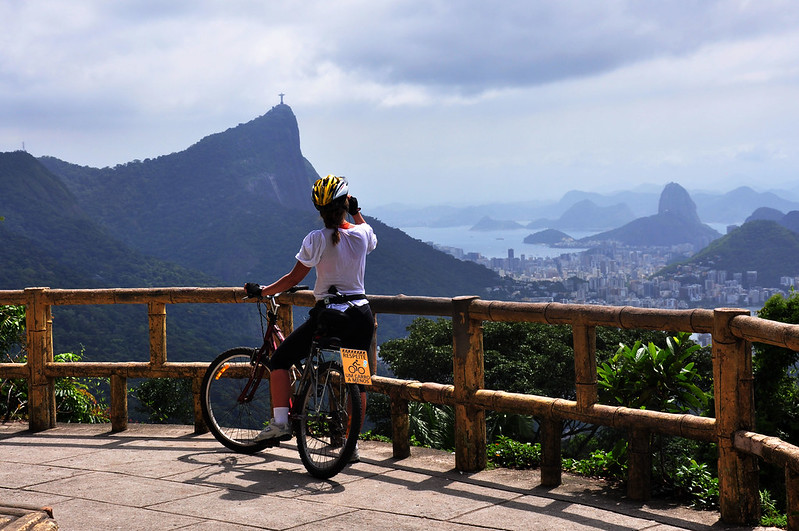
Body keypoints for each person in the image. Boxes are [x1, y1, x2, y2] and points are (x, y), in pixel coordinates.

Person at [244, 174, 377, 455]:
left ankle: (280, 423)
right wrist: (357, 211)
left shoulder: (316, 239)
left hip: (331, 315)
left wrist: (264, 291)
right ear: (346, 203)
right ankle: (351, 447)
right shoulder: (362, 234)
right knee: (358, 380)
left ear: (319, 211)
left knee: (280, 360)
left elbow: (293, 278)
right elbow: (368, 234)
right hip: (361, 314)